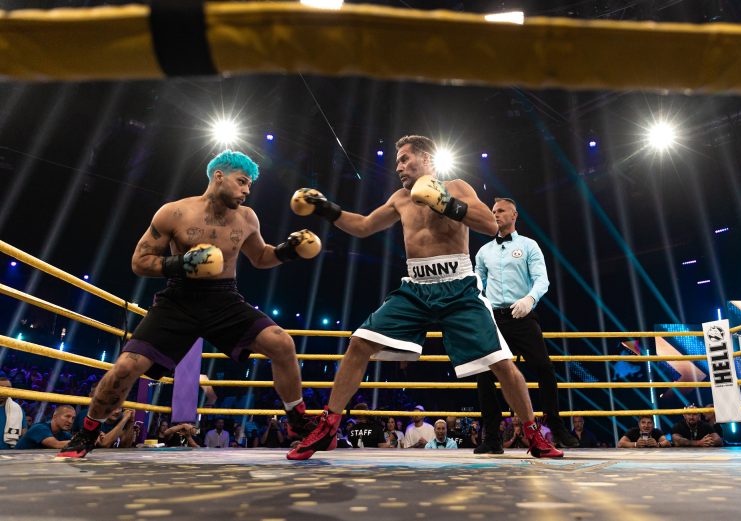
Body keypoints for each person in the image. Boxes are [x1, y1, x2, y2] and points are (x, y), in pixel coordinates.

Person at [287, 135, 562, 460]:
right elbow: (363, 226)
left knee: (500, 362)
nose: (399, 167)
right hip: (416, 288)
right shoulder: (400, 198)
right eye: (397, 162)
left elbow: (491, 225)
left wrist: (445, 203)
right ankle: (329, 426)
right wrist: (325, 208)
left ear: (427, 158)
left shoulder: (456, 187)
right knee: (359, 343)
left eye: (405, 159)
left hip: (458, 287)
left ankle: (533, 434)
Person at [58, 150, 321, 458]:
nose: (247, 190)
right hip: (179, 299)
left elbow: (261, 257)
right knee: (126, 367)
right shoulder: (174, 212)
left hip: (224, 299)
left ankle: (297, 422)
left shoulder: (247, 217)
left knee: (282, 343)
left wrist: (288, 250)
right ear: (219, 176)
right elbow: (140, 261)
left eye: (249, 184)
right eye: (242, 181)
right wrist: (183, 263)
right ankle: (88, 432)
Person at [473, 197, 578, 453]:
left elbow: (542, 279)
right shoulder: (484, 251)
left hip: (522, 315)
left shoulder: (529, 245)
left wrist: (529, 299)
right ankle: (492, 437)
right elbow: (477, 282)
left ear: (514, 215)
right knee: (484, 375)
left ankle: (555, 424)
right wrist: (478, 302)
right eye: (493, 211)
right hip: (494, 318)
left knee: (544, 368)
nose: (495, 214)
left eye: (501, 211)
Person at [0, 377, 27, 449]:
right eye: (1, 388)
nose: (4, 391)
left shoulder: (17, 409)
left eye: (8, 388)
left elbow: (23, 432)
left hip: (9, 451)